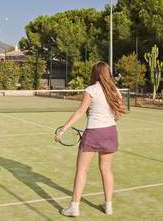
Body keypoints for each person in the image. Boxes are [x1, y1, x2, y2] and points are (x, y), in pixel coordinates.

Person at [54, 61, 125, 217]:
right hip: (111, 132)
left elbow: (80, 111)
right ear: (108, 73)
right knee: (106, 169)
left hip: (93, 133)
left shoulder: (91, 90)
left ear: (95, 73)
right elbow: (118, 115)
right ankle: (109, 206)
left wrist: (63, 129)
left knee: (82, 171)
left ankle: (74, 207)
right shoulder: (116, 91)